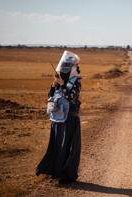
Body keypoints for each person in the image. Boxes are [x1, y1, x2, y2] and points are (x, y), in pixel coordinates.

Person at [36, 51, 82, 184]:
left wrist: (61, 84)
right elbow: (51, 97)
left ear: (72, 68)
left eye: (67, 67)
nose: (64, 70)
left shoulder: (76, 81)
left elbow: (70, 97)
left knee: (69, 147)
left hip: (70, 120)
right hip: (57, 120)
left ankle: (69, 175)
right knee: (57, 146)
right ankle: (56, 171)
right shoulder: (60, 81)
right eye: (63, 67)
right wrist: (54, 86)